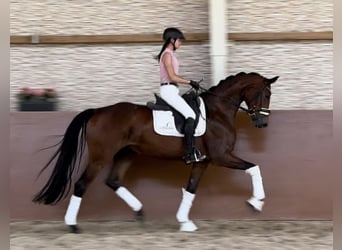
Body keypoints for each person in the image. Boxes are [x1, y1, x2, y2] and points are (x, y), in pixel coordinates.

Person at [156, 27, 206, 165]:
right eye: (180, 40)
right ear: (172, 40)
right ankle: (190, 153)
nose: (181, 43)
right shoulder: (167, 55)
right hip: (168, 90)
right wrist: (190, 82)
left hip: (172, 90)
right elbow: (172, 76)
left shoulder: (170, 54)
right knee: (190, 115)